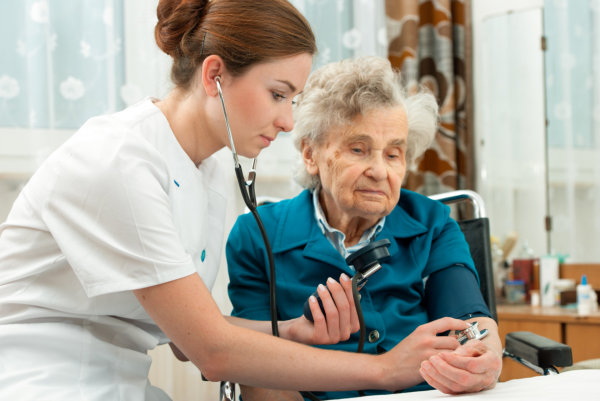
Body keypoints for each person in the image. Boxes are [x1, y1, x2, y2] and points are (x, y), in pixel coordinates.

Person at [0, 2, 477, 400]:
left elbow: (190, 337)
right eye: (277, 94)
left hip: (119, 378)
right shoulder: (122, 161)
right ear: (214, 77)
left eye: (294, 99)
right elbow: (212, 352)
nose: (289, 121)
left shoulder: (204, 167)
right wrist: (387, 371)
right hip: (46, 377)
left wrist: (292, 332)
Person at [227, 56, 503, 400]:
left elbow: (471, 322)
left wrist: (485, 356)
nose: (378, 170)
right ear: (311, 154)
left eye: (393, 154)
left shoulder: (433, 223)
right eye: (358, 149)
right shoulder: (257, 235)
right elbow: (252, 357)